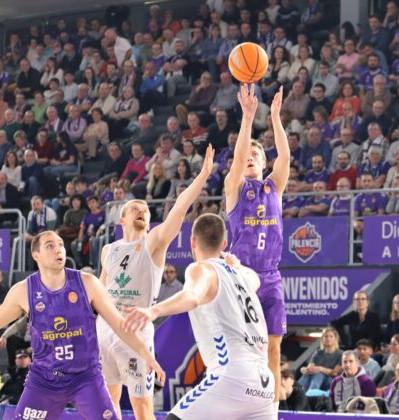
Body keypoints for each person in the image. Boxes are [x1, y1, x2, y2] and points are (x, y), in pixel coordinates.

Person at [0, 230, 164, 418]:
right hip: (44, 379)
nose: (58, 249)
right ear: (36, 255)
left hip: (85, 377)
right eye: (50, 246)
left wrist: (146, 355)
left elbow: (120, 325)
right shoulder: (23, 291)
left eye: (60, 245)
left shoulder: (87, 283)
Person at [97, 146, 214, 418]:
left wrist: (202, 176)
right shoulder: (108, 250)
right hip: (105, 330)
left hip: (135, 329)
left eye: (146, 210)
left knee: (142, 409)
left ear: (150, 223)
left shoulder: (153, 242)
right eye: (135, 207)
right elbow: (99, 295)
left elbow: (180, 208)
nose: (142, 210)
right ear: (121, 218)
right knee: (107, 405)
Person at [123, 214, 276, 419]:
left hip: (232, 375)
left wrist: (153, 311)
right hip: (264, 384)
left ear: (193, 242)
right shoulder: (243, 276)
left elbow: (192, 297)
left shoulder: (201, 269)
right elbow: (255, 277)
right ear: (223, 244)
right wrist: (235, 264)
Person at [225, 84, 290, 409]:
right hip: (242, 278)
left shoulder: (274, 187)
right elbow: (238, 158)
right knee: (242, 349)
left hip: (271, 277)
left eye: (256, 155)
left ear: (264, 162)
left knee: (274, 348)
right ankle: (238, 405)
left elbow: (285, 157)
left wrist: (275, 118)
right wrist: (248, 119)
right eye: (247, 156)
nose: (250, 158)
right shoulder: (235, 188)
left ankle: (272, 411)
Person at [298, 327, 343, 392]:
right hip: (315, 378)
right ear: (322, 339)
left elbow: (334, 373)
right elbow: (310, 368)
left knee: (319, 374)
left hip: (332, 381)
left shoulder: (341, 354)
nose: (328, 338)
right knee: (307, 375)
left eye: (331, 336)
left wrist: (320, 369)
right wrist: (304, 370)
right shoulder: (318, 353)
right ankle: (297, 392)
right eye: (326, 336)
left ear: (335, 339)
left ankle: (311, 395)